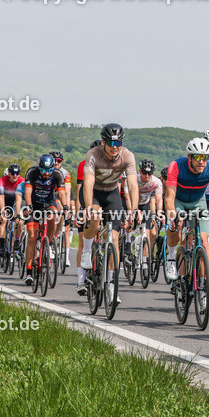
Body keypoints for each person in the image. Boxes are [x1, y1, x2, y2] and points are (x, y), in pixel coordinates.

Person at [79, 123, 138, 299]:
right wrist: (88, 207)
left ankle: (111, 284)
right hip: (94, 193)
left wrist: (133, 210)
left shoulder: (127, 156)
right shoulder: (93, 155)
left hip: (112, 193)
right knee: (95, 217)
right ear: (103, 142)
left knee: (113, 238)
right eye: (111, 143)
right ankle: (87, 251)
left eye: (118, 143)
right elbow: (88, 183)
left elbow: (133, 184)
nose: (114, 147)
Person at [163, 138, 209, 285]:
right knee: (176, 227)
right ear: (189, 157)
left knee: (205, 243)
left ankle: (204, 287)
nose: (202, 161)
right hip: (178, 201)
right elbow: (169, 198)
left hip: (198, 202)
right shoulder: (176, 166)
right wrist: (174, 216)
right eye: (198, 157)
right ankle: (171, 256)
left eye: (205, 157)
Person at [19, 154, 67, 284]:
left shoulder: (57, 174)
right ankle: (29, 272)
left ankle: (49, 242)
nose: (47, 174)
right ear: (39, 167)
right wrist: (29, 206)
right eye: (44, 171)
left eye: (49, 171)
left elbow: (62, 193)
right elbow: (28, 192)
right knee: (32, 237)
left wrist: (66, 206)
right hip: (33, 204)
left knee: (54, 215)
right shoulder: (32, 172)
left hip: (49, 201)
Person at [74, 139, 104, 279]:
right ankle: (81, 279)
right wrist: (79, 211)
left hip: (103, 199)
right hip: (87, 198)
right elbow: (81, 188)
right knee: (82, 240)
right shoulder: (84, 164)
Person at [0, 164, 25, 254]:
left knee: (19, 221)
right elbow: (1, 197)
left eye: (17, 173)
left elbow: (24, 197)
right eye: (12, 173)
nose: (15, 175)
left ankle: (17, 240)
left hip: (17, 203)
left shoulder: (22, 181)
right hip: (6, 202)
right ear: (9, 173)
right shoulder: (2, 180)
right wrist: (2, 210)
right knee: (3, 220)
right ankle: (2, 245)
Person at [51, 150, 73, 266]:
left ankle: (66, 256)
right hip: (48, 195)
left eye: (58, 161)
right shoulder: (46, 170)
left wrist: (67, 208)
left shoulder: (65, 173)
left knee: (64, 221)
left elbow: (67, 192)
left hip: (60, 195)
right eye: (54, 160)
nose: (56, 163)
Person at [136, 159, 163, 253]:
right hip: (133, 203)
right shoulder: (134, 179)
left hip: (145, 204)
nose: (146, 176)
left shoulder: (156, 182)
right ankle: (127, 244)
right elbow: (128, 196)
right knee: (128, 225)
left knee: (147, 233)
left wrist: (158, 213)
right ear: (140, 171)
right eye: (144, 173)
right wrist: (134, 210)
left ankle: (144, 260)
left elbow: (159, 199)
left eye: (149, 173)